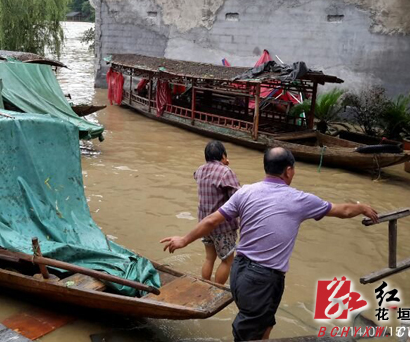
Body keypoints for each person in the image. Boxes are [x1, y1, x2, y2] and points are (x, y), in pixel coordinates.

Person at [161, 147, 378, 342]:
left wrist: (184, 240)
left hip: (239, 272)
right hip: (262, 279)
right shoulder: (299, 199)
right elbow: (342, 211)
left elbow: (211, 220)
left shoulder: (246, 191)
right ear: (289, 171)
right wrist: (362, 208)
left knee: (265, 323)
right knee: (248, 334)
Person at [195, 140, 240, 284]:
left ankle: (205, 286)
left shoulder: (200, 170)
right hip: (222, 225)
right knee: (227, 261)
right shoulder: (226, 172)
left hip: (204, 224)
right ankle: (216, 289)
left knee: (209, 258)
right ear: (223, 155)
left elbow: (196, 175)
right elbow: (238, 198)